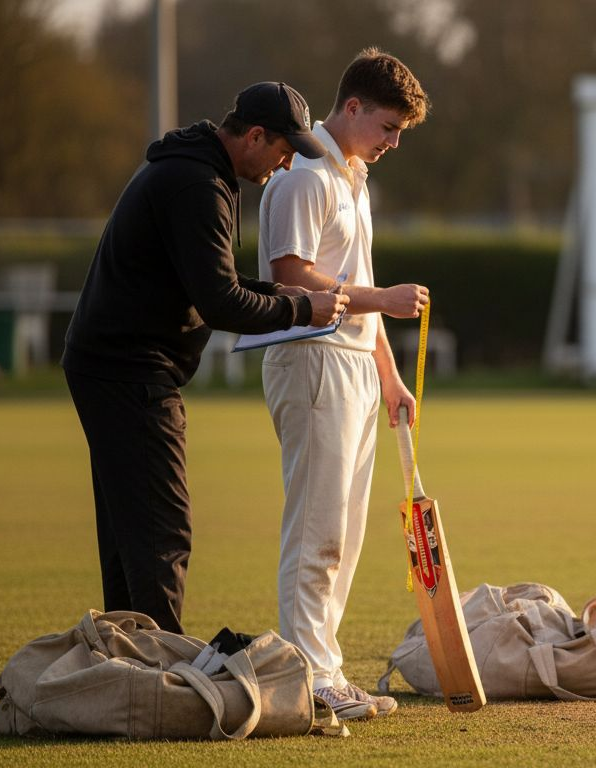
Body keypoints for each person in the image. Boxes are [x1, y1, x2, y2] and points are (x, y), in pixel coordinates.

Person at [63, 82, 348, 636]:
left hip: (108, 364)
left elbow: (213, 281)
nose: (287, 161)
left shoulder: (198, 169)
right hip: (131, 369)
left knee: (131, 532)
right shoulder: (197, 183)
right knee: (161, 530)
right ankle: (159, 676)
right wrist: (300, 309)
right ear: (255, 135)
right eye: (284, 149)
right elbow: (220, 302)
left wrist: (291, 300)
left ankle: (130, 663)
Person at [257, 48, 429, 721]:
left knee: (346, 532)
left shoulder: (352, 176)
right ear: (351, 106)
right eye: (387, 127)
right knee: (317, 527)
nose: (392, 143)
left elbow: (353, 273)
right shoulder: (303, 176)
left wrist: (389, 377)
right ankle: (307, 679)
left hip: (356, 365)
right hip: (310, 358)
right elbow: (288, 275)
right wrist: (382, 298)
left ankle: (325, 671)